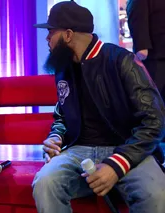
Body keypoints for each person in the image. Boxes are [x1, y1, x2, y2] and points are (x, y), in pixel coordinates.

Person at [32, 1, 165, 213]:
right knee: (45, 183)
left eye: (51, 32)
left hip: (127, 147)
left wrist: (116, 164)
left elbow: (155, 120)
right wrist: (57, 136)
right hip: (79, 151)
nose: (47, 39)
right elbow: (62, 117)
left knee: (156, 194)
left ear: (68, 35)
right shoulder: (63, 68)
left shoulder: (122, 61)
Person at [126, 0, 165, 103]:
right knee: (154, 101)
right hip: (154, 58)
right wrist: (141, 47)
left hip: (156, 55)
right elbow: (137, 16)